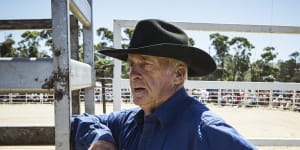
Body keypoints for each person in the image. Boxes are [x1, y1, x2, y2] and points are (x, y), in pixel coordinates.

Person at [71, 19, 257, 150]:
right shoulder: (129, 122)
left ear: (179, 74)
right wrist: (101, 139)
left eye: (146, 64)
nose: (134, 74)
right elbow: (78, 121)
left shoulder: (204, 130)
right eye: (132, 65)